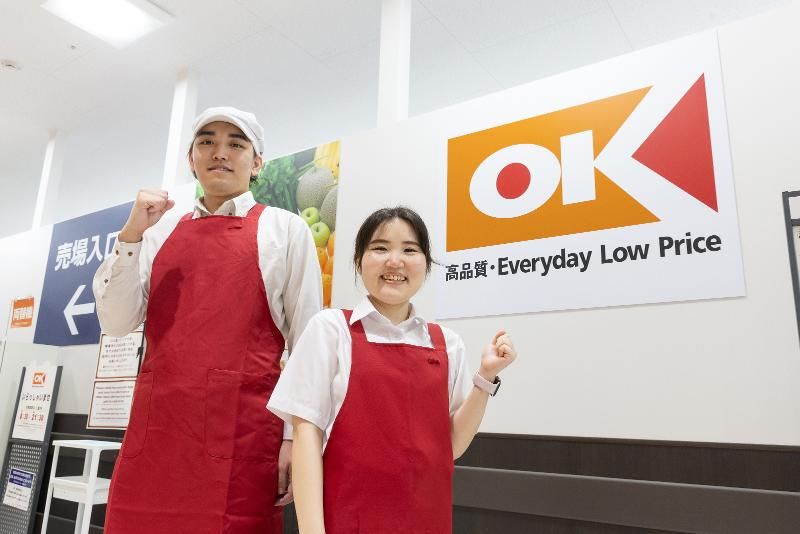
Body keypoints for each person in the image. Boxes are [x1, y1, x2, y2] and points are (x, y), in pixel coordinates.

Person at [93, 106, 322, 534]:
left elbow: (308, 343)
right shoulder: (157, 232)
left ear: (257, 163)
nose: (220, 152)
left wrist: (295, 438)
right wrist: (130, 237)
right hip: (157, 435)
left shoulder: (286, 230)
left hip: (242, 436)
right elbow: (117, 322)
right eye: (207, 142)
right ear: (191, 159)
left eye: (236, 144)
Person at [267, 206, 517, 534]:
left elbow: (451, 446)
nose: (395, 261)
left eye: (410, 250)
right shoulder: (331, 329)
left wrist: (485, 377)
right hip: (347, 520)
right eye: (380, 248)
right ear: (359, 261)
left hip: (427, 522)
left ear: (426, 265)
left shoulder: (447, 343)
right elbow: (306, 434)